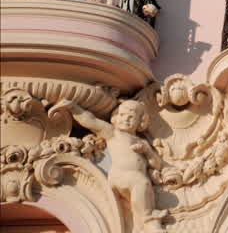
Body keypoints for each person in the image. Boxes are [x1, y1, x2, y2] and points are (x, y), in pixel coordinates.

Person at [51, 99, 166, 232]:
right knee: (141, 182)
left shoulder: (142, 142)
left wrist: (147, 151)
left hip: (136, 181)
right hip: (120, 177)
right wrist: (73, 107)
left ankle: (141, 224)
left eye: (131, 117)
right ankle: (148, 220)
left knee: (145, 191)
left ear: (140, 121)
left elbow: (157, 164)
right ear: (116, 117)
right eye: (122, 115)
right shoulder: (113, 133)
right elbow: (91, 121)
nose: (125, 119)